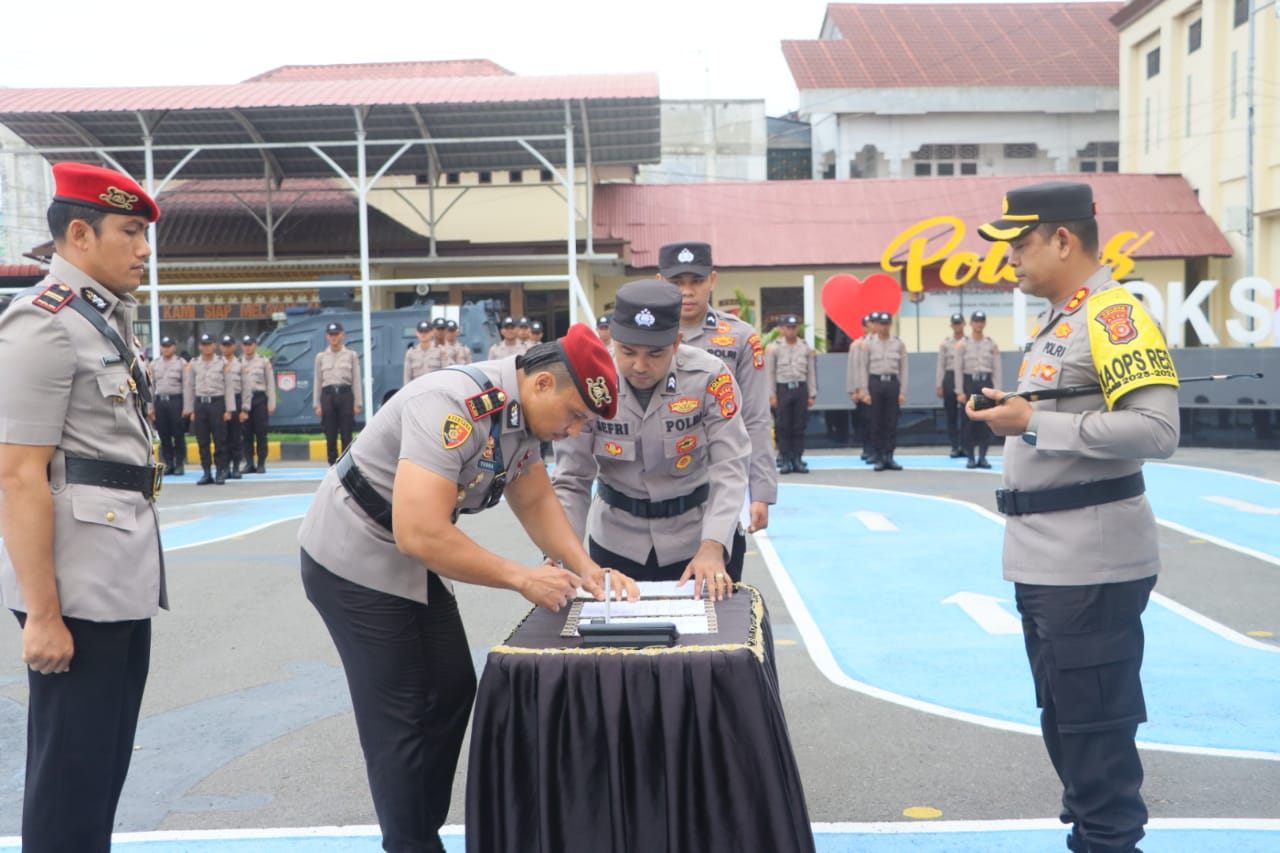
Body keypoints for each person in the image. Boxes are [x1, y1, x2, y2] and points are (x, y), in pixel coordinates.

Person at [298, 323, 637, 853]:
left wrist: (588, 570)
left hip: (408, 556)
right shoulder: (452, 406)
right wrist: (522, 577)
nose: (574, 431)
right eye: (574, 415)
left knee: (453, 689)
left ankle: (419, 827)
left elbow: (534, 499)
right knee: (403, 712)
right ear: (542, 383)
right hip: (353, 553)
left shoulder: (520, 415)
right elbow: (420, 532)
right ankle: (410, 843)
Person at [966, 180, 1180, 853]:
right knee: (1069, 729)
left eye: (1020, 243)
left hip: (1090, 564)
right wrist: (1019, 412)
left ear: (1063, 239)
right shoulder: (1064, 318)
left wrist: (1035, 422)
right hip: (1050, 560)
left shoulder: (1112, 315)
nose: (1009, 259)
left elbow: (1157, 430)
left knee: (1096, 743)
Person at [0, 161, 167, 852]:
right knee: (71, 775)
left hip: (116, 575)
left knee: (98, 769)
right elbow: (17, 473)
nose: (144, 249)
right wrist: (42, 614)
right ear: (79, 233)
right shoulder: (43, 323)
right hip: (74, 591)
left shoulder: (98, 319)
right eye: (130, 231)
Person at [553, 279, 749, 595]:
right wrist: (561, 556)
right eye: (627, 351)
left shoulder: (709, 377)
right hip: (617, 545)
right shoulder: (588, 382)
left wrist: (713, 545)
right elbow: (572, 479)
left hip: (697, 540)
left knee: (715, 627)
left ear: (676, 343)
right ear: (612, 339)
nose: (640, 366)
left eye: (655, 354)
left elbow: (730, 466)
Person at [658, 240, 775, 535]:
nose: (687, 291)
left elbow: (755, 418)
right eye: (676, 282)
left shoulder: (740, 337)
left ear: (712, 279)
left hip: (719, 480)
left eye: (696, 281)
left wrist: (760, 490)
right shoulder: (640, 338)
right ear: (659, 281)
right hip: (656, 480)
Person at [856, 312, 908, 471]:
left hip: (892, 383)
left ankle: (889, 456)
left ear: (890, 325)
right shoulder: (869, 344)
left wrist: (902, 391)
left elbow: (904, 369)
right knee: (876, 422)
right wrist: (865, 391)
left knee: (891, 422)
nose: (884, 327)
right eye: (881, 324)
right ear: (876, 325)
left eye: (886, 324)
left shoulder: (898, 343)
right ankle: (878, 456)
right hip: (875, 383)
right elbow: (863, 368)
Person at [766, 314, 817, 474]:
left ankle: (797, 458)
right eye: (788, 327)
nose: (792, 330)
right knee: (783, 426)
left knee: (799, 426)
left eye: (794, 327)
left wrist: (812, 393)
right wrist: (771, 395)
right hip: (782, 389)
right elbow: (770, 373)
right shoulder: (774, 348)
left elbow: (811, 372)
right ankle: (785, 458)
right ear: (782, 329)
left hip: (800, 389)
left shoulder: (805, 348)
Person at [184, 332, 237, 484]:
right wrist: (190, 410)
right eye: (204, 344)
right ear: (200, 346)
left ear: (214, 345)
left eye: (209, 344)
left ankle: (220, 471)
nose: (206, 347)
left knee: (220, 440)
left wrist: (229, 410)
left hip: (217, 403)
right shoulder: (194, 363)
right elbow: (189, 387)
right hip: (200, 404)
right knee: (202, 440)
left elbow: (229, 387)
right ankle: (206, 472)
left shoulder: (222, 363)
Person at [953, 310, 1002, 469]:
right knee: (969, 421)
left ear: (984, 323)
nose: (979, 324)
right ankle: (971, 457)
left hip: (985, 384)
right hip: (970, 383)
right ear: (971, 323)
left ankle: (982, 457)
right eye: (976, 321)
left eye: (981, 321)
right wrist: (959, 391)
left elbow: (997, 369)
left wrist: (997, 391)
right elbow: (958, 368)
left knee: (985, 421)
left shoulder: (991, 344)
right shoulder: (963, 343)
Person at [313, 321, 362, 465]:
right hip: (327, 396)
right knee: (330, 433)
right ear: (327, 336)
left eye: (336, 334)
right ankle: (332, 464)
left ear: (342, 335)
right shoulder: (321, 357)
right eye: (331, 334)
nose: (334, 337)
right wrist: (317, 404)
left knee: (346, 433)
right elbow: (317, 380)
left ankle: (346, 466)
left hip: (345, 395)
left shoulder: (351, 355)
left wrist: (358, 403)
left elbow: (356, 380)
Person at [151, 335, 187, 476]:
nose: (166, 349)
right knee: (164, 434)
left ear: (174, 347)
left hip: (176, 401)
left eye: (169, 346)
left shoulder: (181, 363)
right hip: (160, 402)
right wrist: (151, 407)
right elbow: (151, 387)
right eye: (164, 346)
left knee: (178, 434)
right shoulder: (154, 364)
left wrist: (186, 407)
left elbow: (186, 386)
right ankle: (169, 463)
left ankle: (179, 464)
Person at [239, 334, 276, 474]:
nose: (248, 347)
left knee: (261, 433)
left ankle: (261, 463)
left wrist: (271, 404)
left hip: (259, 399)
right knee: (246, 433)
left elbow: (270, 383)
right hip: (244, 401)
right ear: (242, 346)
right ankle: (249, 463)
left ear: (255, 345)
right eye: (245, 344)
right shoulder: (238, 362)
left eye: (250, 344)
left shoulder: (263, 362)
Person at [935, 313, 968, 459]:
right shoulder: (945, 343)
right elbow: (940, 365)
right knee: (951, 415)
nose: (957, 326)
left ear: (964, 324)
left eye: (959, 323)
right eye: (955, 324)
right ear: (951, 326)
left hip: (965, 378)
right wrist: (939, 385)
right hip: (949, 377)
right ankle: (955, 446)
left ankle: (966, 446)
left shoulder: (969, 342)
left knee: (967, 414)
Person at [845, 313, 875, 463]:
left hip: (879, 386)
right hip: (863, 389)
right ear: (864, 328)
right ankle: (867, 448)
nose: (873, 328)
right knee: (866, 420)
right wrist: (853, 389)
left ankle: (879, 449)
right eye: (869, 325)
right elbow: (853, 368)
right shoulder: (857, 345)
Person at [219, 334, 245, 479]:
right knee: (222, 437)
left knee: (235, 436)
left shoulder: (240, 364)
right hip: (221, 402)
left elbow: (246, 387)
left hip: (236, 400)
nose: (226, 348)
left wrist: (244, 409)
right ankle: (225, 467)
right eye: (224, 345)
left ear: (234, 346)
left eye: (229, 345)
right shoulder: (217, 363)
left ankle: (236, 467)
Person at [404, 319, 441, 384]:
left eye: (426, 331)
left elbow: (445, 373)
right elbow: (407, 376)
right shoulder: (411, 352)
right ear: (417, 333)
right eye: (421, 331)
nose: (423, 334)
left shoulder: (439, 351)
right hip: (418, 388)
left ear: (432, 333)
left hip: (434, 387)